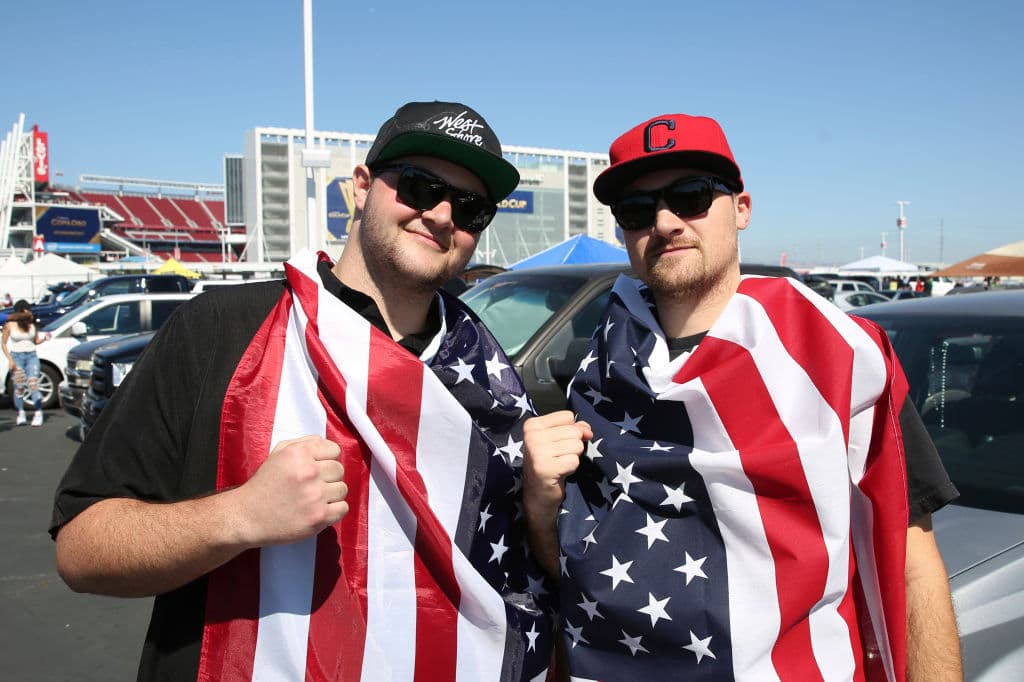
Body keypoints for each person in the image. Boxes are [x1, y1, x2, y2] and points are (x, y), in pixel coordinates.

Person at [50, 101, 555, 681]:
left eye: (470, 206)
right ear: (361, 188)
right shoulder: (220, 328)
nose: (441, 215)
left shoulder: (487, 375)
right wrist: (237, 516)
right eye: (418, 186)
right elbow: (82, 549)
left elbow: (530, 584)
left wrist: (542, 513)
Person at [522, 113, 962, 681]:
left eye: (691, 196)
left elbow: (911, 564)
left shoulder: (837, 356)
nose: (665, 222)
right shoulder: (595, 368)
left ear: (743, 208)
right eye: (637, 210)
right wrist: (539, 507)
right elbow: (579, 573)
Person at [2, 300, 48, 426]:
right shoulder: (10, 325)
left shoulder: (32, 325)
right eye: (25, 311)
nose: (28, 313)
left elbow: (36, 340)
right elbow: (4, 343)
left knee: (33, 384)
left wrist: (44, 339)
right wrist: (10, 360)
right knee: (19, 386)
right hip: (16, 357)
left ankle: (38, 413)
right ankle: (20, 412)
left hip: (31, 356)